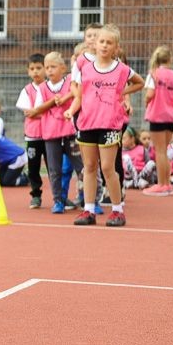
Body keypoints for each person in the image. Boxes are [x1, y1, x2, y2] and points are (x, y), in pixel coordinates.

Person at [63, 24, 145, 227]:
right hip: (87, 123)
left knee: (108, 167)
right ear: (95, 44)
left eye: (109, 43)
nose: (105, 46)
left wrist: (122, 94)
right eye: (102, 42)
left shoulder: (122, 69)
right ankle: (88, 209)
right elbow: (80, 93)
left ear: (116, 47)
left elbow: (140, 82)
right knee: (89, 167)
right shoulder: (85, 66)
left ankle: (117, 210)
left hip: (110, 125)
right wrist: (72, 110)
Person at [28, 51, 84, 214]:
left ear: (63, 68)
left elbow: (78, 97)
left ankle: (88, 198)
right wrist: (53, 101)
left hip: (71, 133)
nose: (49, 70)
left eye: (53, 66)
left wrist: (65, 98)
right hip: (51, 135)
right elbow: (38, 109)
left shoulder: (70, 83)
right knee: (54, 169)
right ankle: (58, 200)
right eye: (47, 67)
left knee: (81, 167)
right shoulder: (43, 88)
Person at [142, 45, 173, 196]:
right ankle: (167, 183)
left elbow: (150, 94)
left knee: (159, 151)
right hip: (171, 116)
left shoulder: (153, 74)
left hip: (157, 115)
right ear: (170, 59)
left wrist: (147, 102)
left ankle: (161, 184)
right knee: (164, 150)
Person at [16, 53, 46, 208]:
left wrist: (38, 112)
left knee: (54, 167)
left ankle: (59, 196)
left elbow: (48, 111)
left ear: (45, 69)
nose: (36, 72)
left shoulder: (51, 88)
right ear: (28, 71)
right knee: (33, 167)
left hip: (50, 134)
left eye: (39, 68)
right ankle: (35, 194)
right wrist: (44, 112)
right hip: (33, 135)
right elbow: (28, 111)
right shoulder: (27, 90)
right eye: (32, 69)